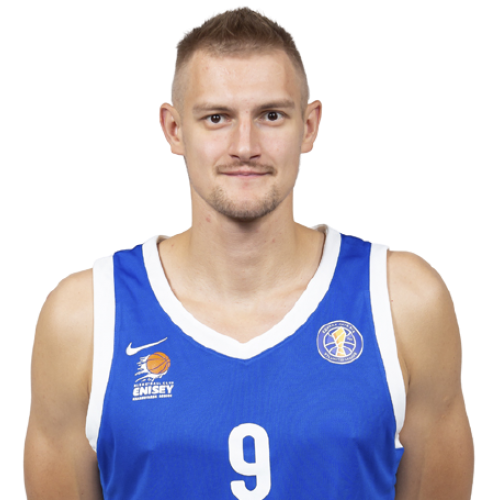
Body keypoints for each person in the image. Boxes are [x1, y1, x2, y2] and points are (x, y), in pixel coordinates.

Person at [23, 6, 475, 499]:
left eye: (271, 116)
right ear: (174, 129)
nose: (245, 146)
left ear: (310, 126)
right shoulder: (85, 318)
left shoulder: (402, 301)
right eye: (217, 118)